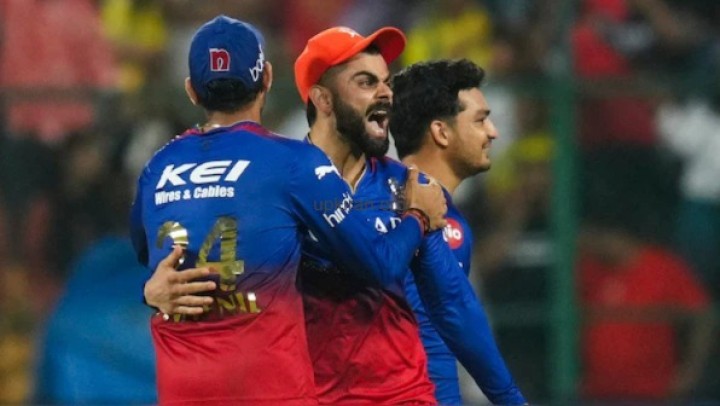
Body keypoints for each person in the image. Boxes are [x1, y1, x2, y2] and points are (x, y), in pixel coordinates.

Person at [131, 15, 447, 405]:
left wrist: (149, 292)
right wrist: (418, 216)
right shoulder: (296, 163)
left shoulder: (157, 168)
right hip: (272, 391)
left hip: (183, 392)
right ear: (266, 78)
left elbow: (149, 258)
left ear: (192, 91)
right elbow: (380, 265)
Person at [391, 59, 527, 405]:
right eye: (480, 120)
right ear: (441, 132)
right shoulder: (412, 215)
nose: (492, 132)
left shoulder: (448, 219)